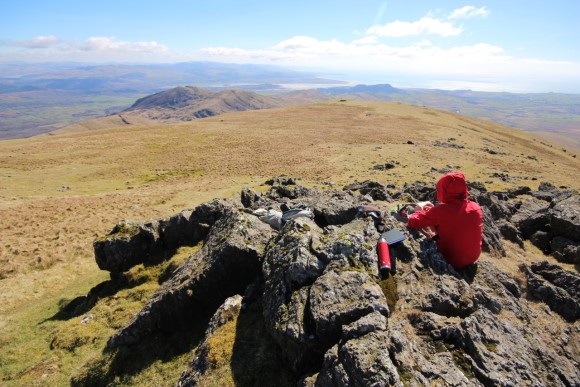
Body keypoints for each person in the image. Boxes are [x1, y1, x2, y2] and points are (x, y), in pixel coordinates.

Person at [407, 172, 483, 269]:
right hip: (472, 258)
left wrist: (418, 210)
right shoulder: (475, 207)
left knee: (428, 228)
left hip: (451, 259)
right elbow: (453, 220)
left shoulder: (441, 211)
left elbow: (413, 221)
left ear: (444, 191)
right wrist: (433, 211)